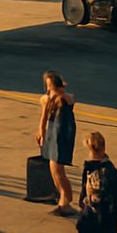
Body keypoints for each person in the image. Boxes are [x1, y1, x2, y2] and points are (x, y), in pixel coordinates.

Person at [37, 70, 77, 216]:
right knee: (53, 168)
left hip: (63, 133)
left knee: (57, 169)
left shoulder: (64, 98)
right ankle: (63, 200)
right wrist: (41, 133)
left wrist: (59, 94)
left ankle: (67, 198)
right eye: (48, 85)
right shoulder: (47, 99)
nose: (49, 88)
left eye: (51, 85)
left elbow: (70, 99)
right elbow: (43, 117)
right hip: (53, 132)